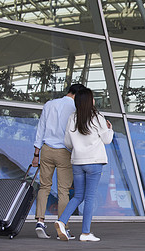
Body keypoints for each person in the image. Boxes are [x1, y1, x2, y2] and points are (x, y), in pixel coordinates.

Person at [55, 88, 113, 242]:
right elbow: (107, 140)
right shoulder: (98, 117)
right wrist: (110, 129)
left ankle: (61, 221)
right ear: (89, 101)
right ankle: (85, 233)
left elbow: (67, 143)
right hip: (94, 162)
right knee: (90, 197)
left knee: (78, 196)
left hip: (77, 162)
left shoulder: (72, 118)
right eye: (92, 98)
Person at [33, 83, 86, 239]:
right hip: (64, 151)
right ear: (77, 95)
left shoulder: (49, 104)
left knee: (44, 187)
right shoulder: (75, 109)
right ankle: (63, 226)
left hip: (46, 149)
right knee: (63, 191)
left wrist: (36, 153)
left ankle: (40, 221)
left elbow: (40, 129)